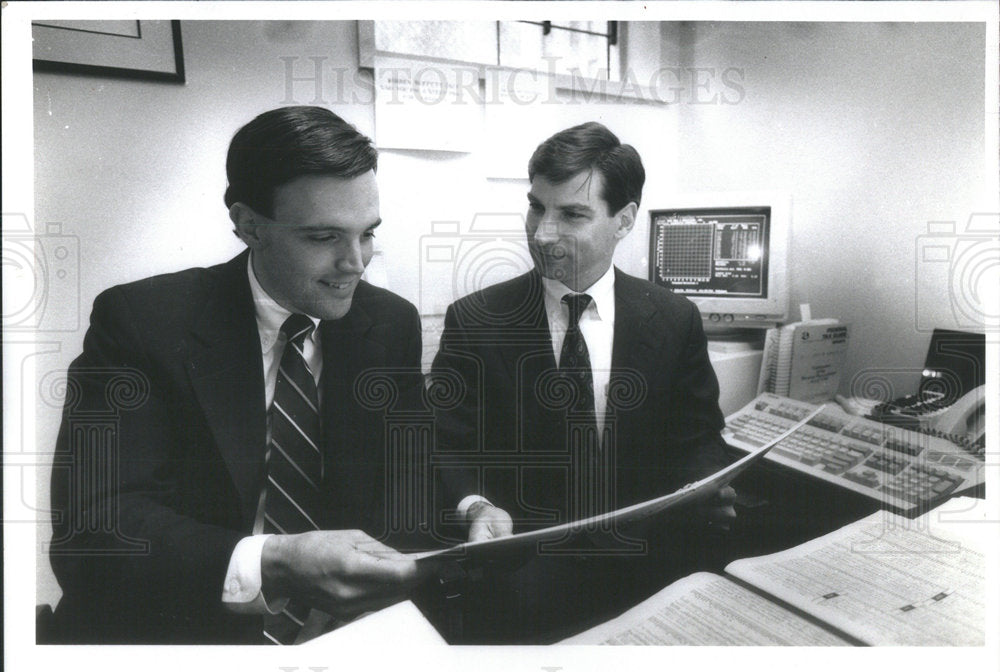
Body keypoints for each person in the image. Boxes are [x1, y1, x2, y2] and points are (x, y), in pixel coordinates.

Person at [47, 106, 446, 644]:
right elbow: (93, 530)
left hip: (339, 637)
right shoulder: (142, 323)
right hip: (178, 636)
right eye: (324, 237)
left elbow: (406, 486)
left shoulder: (388, 323)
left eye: (367, 234)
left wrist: (384, 581)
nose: (356, 263)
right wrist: (277, 563)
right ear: (249, 225)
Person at [431, 122, 736, 641]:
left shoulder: (674, 317)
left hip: (650, 569)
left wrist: (708, 483)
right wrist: (475, 506)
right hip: (522, 577)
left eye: (571, 214)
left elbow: (698, 436)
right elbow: (445, 446)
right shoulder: (475, 319)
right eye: (536, 207)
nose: (542, 232)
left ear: (624, 221)